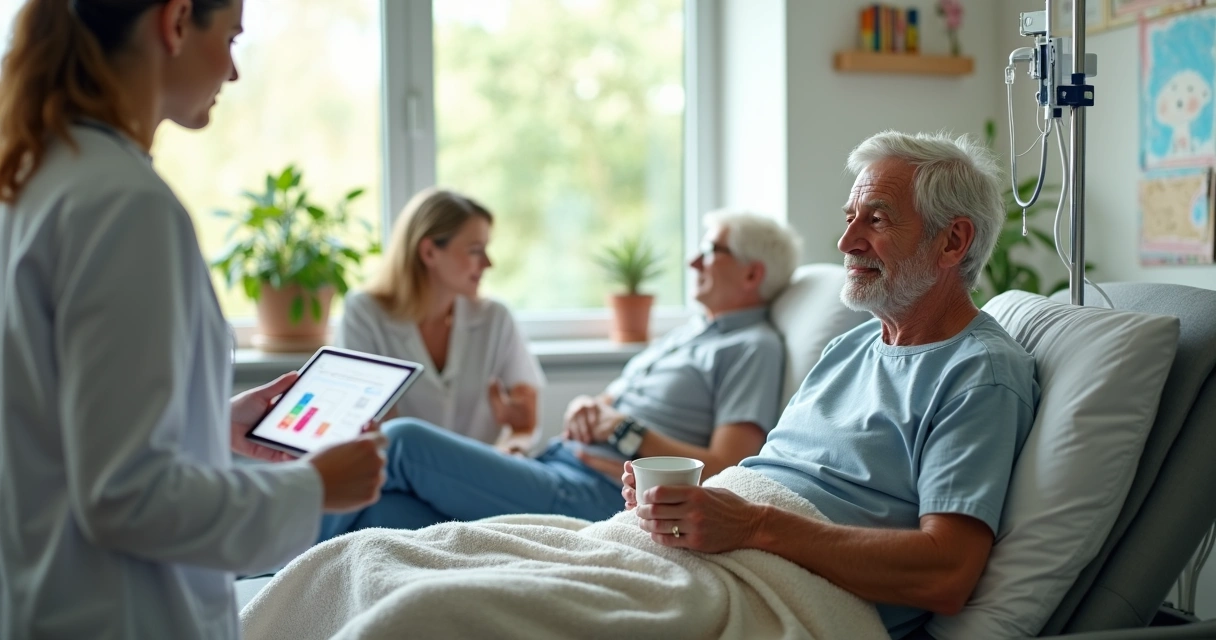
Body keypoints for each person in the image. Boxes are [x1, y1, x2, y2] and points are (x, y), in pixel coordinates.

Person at [0, 1, 387, 638]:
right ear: (175, 20)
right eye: (231, 37)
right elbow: (127, 496)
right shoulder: (125, 205)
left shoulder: (34, 180)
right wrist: (314, 488)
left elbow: (58, 421)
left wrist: (208, 421)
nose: (233, 71)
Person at [624, 131, 1040, 638]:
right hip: (714, 556)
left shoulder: (979, 374)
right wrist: (675, 510)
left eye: (877, 220)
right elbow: (771, 476)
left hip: (773, 590)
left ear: (952, 241)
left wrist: (753, 525)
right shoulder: (850, 346)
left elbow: (946, 573)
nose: (846, 243)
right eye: (850, 219)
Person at [316, 210, 801, 541]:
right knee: (382, 513)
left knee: (402, 442)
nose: (693, 261)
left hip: (596, 492)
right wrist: (585, 408)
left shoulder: (751, 348)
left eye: (711, 250)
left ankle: (270, 562)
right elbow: (607, 405)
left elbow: (729, 465)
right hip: (556, 463)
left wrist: (627, 434)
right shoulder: (687, 335)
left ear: (752, 274)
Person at [336, 187, 544, 454]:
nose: (488, 263)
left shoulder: (496, 318)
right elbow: (361, 429)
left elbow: (525, 425)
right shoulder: (364, 314)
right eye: (475, 250)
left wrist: (511, 450)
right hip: (395, 473)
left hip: (479, 473)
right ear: (429, 252)